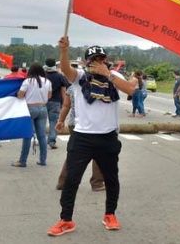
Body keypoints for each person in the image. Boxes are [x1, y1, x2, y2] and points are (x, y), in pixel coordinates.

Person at [47, 37, 136, 237]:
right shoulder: (80, 77)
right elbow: (66, 70)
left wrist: (108, 74)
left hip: (107, 137)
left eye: (101, 59)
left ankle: (110, 215)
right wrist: (64, 51)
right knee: (72, 179)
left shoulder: (113, 75)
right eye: (94, 59)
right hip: (82, 137)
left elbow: (130, 89)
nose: (98, 62)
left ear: (105, 60)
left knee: (111, 179)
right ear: (87, 62)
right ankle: (66, 220)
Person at [55, 64, 105, 192]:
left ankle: (63, 181)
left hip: (74, 124)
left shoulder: (72, 87)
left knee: (74, 153)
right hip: (93, 125)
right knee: (100, 154)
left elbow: (66, 106)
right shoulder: (99, 87)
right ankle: (97, 183)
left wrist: (61, 120)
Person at [11, 63, 51, 167]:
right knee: (42, 136)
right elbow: (49, 95)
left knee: (27, 135)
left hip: (30, 108)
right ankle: (43, 160)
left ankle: (23, 160)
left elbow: (20, 95)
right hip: (43, 108)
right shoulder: (47, 81)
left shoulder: (27, 81)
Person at [44, 58, 70, 149]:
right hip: (55, 101)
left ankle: (41, 140)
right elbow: (64, 89)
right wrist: (64, 103)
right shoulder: (59, 76)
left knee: (41, 122)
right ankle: (51, 141)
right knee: (53, 121)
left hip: (43, 102)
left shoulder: (42, 76)